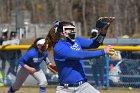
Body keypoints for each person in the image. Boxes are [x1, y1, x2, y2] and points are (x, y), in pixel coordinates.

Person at [46, 17, 115, 93]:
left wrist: (103, 33)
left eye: (73, 29)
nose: (72, 31)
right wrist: (103, 52)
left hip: (83, 86)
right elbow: (80, 55)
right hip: (65, 89)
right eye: (70, 29)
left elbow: (95, 44)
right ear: (62, 33)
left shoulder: (76, 40)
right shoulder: (59, 47)